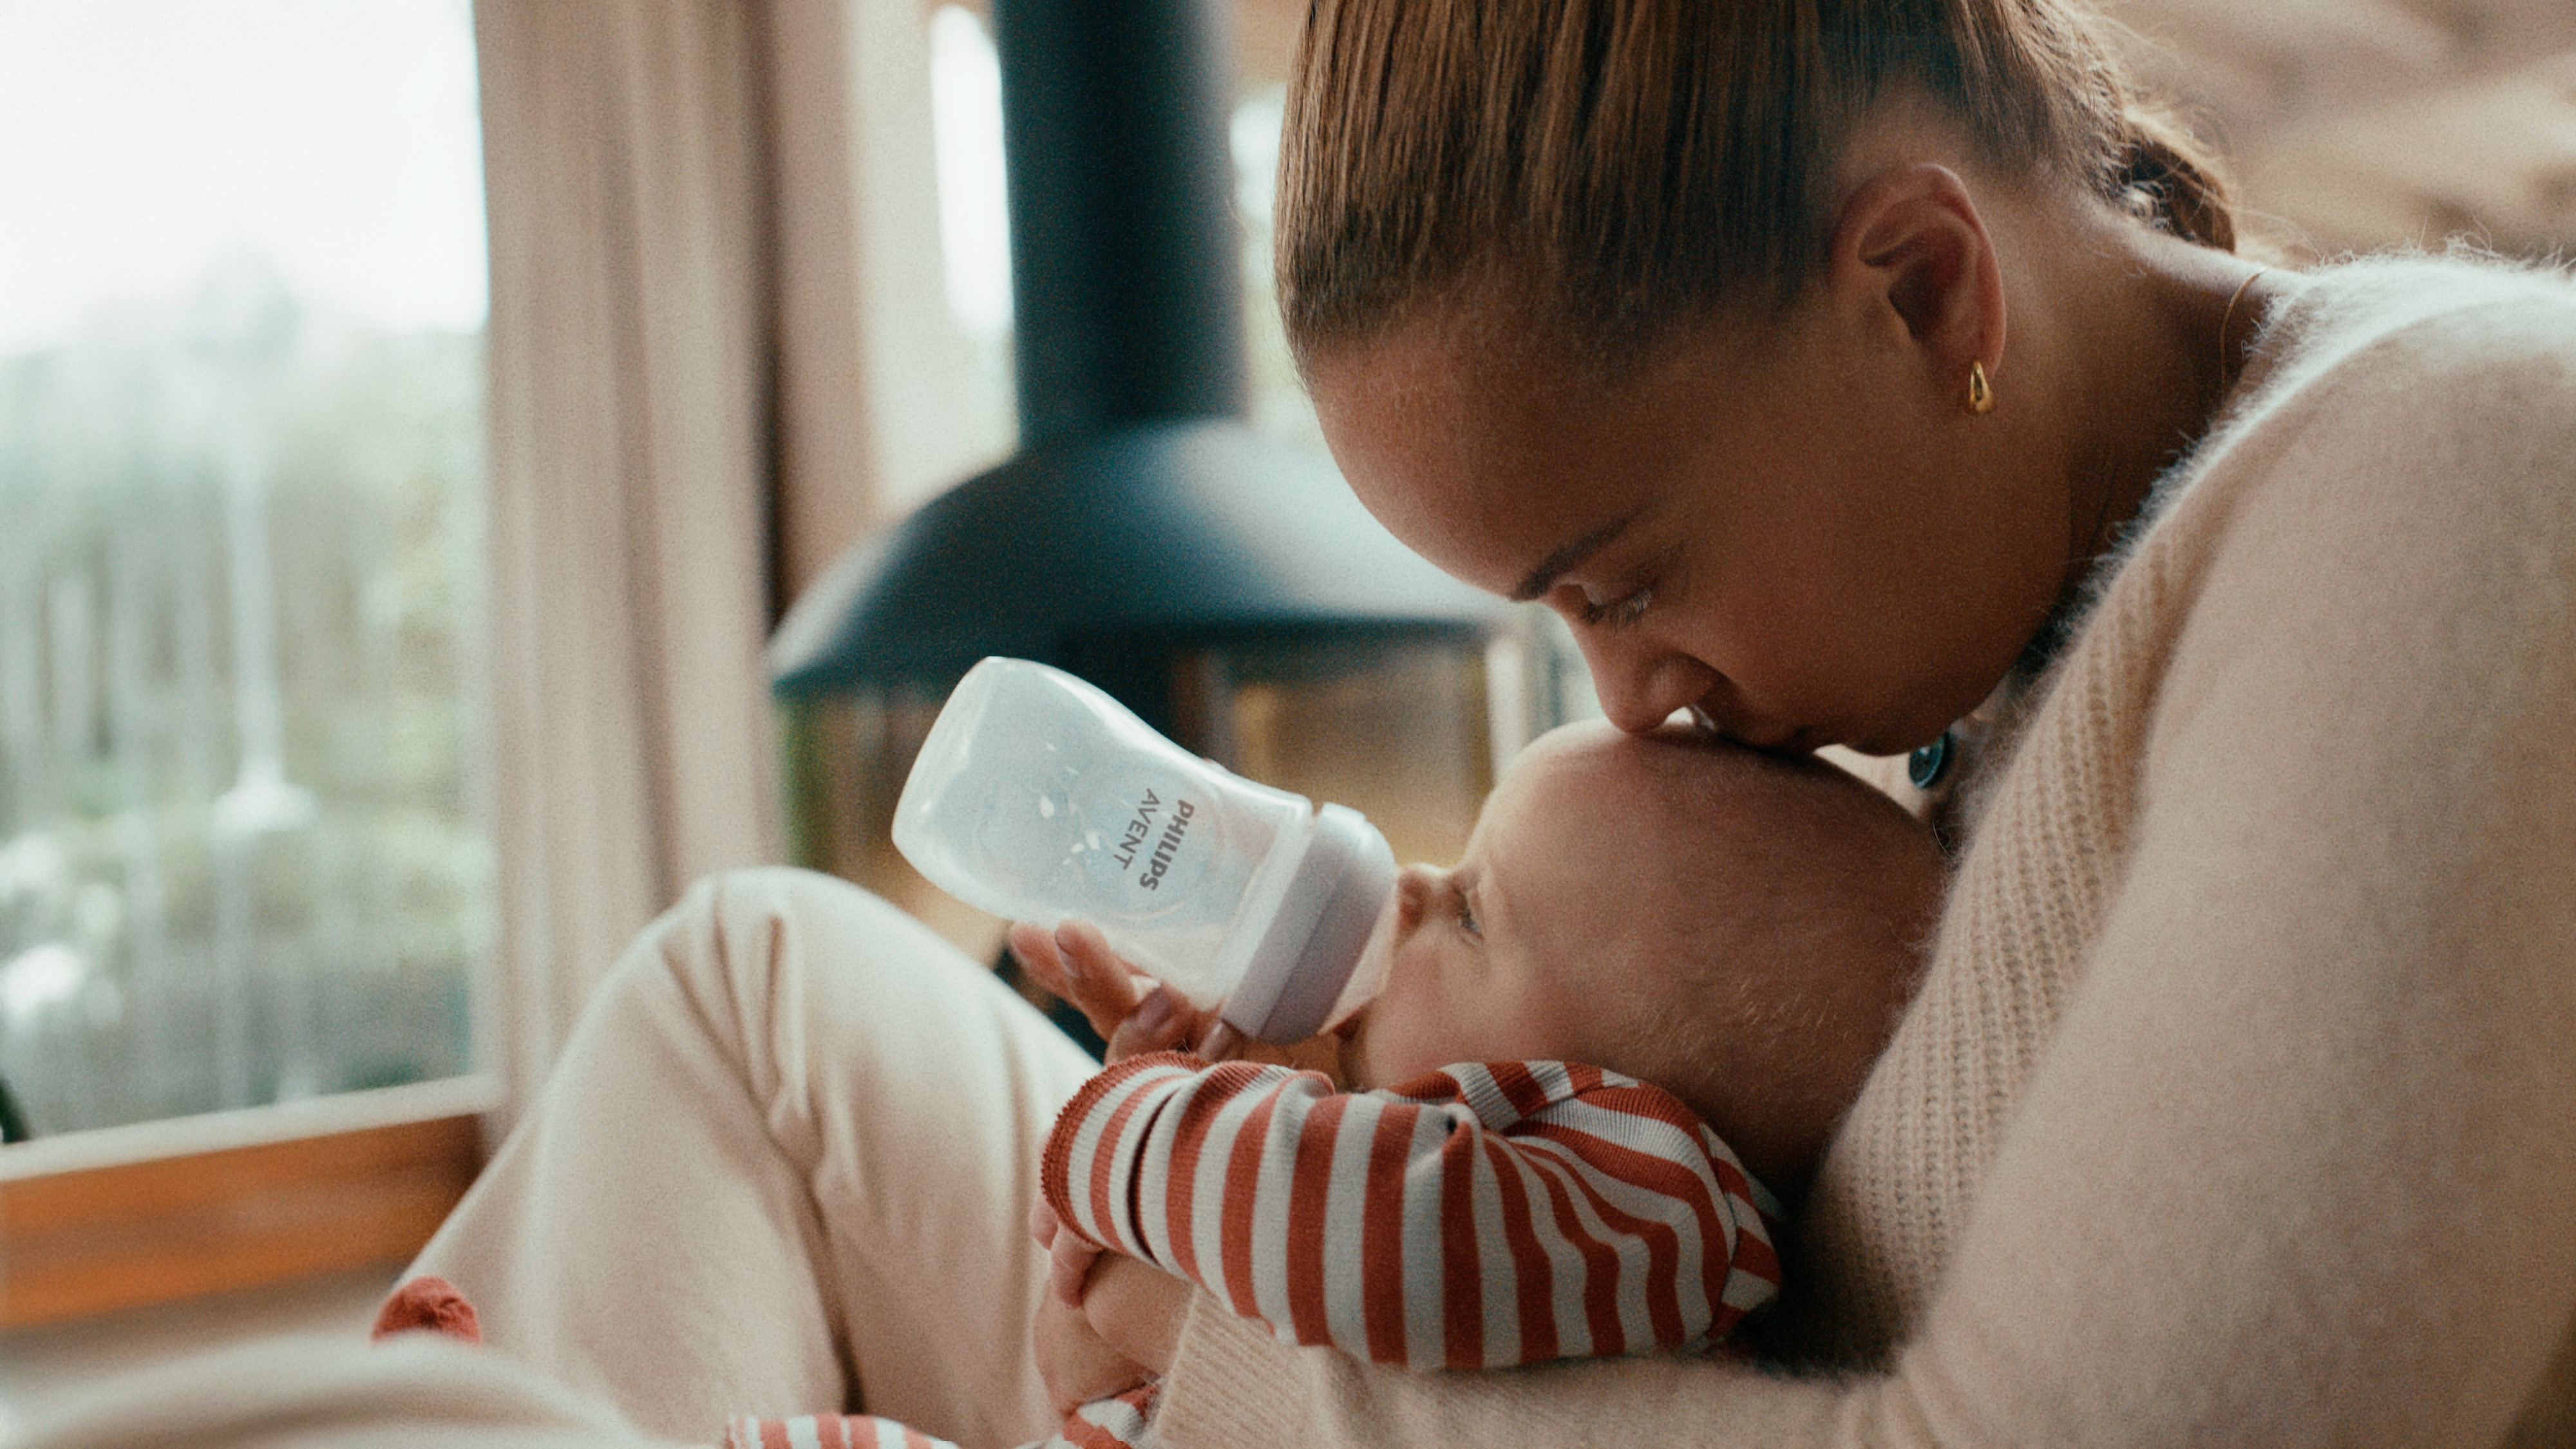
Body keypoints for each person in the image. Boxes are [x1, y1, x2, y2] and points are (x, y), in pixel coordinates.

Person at [30, 0, 2573, 1444]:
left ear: (1918, 293)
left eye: (1622, 577)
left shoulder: (2463, 480)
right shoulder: (1980, 609)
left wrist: (1234, 1325)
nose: (1631, 695)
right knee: (747, 979)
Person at [715, 720, 1943, 1449]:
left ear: (1631, 1078)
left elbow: (1373, 1233)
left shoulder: (1659, 1197)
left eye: (1469, 908)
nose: (1404, 884)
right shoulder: (1538, 1212)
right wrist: (1102, 1287)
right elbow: (1104, 1370)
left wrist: (1129, 1131)